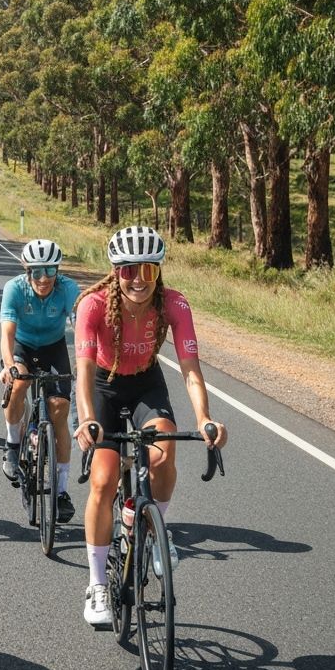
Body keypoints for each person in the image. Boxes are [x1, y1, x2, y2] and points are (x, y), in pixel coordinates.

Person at [72, 225, 227, 626]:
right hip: (104, 388)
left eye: (147, 270)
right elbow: (84, 373)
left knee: (163, 454)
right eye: (128, 271)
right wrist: (88, 418)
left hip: (145, 383)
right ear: (114, 271)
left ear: (158, 271)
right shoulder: (92, 304)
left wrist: (205, 419)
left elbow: (191, 371)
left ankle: (153, 528)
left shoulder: (175, 304)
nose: (138, 280)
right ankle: (97, 585)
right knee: (104, 481)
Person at [0, 238, 81, 523]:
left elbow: (80, 327)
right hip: (23, 347)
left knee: (59, 411)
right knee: (19, 384)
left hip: (54, 348)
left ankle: (60, 491)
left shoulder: (68, 289)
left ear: (57, 270)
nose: (43, 278)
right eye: (36, 271)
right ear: (27, 271)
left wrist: (87, 365)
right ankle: (12, 445)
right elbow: (7, 333)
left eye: (49, 270)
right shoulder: (15, 289)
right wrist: (9, 365)